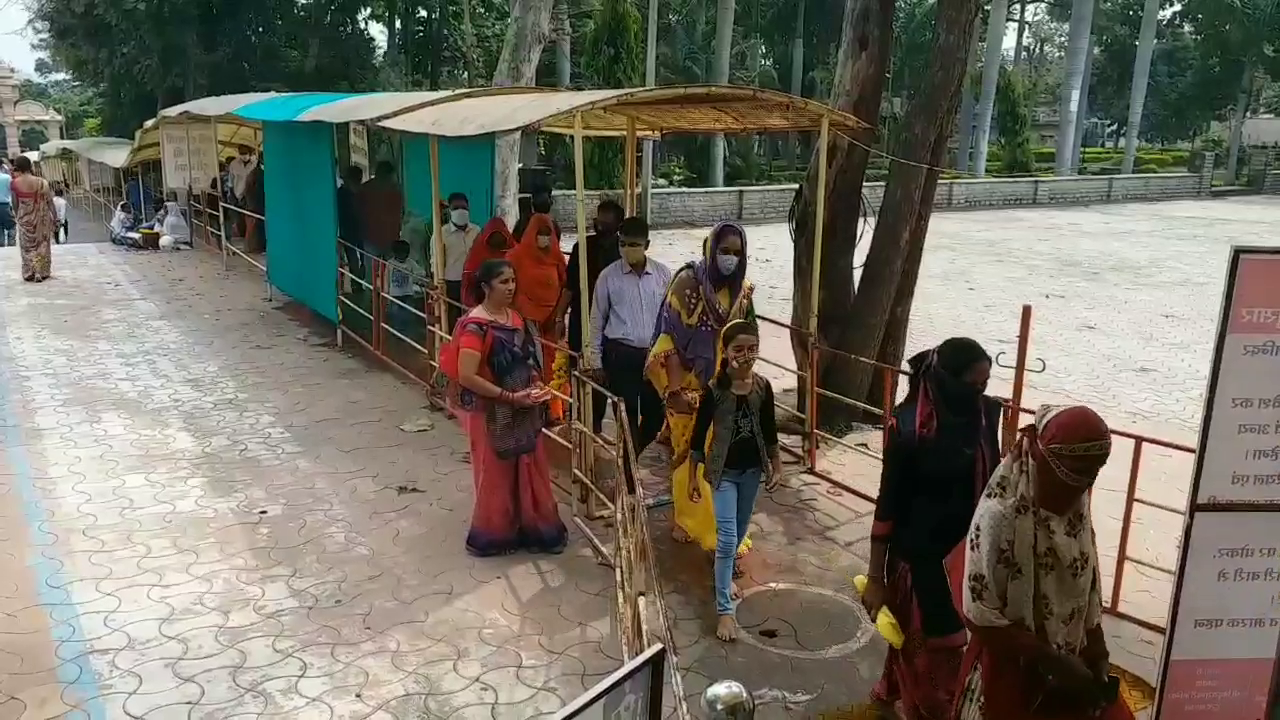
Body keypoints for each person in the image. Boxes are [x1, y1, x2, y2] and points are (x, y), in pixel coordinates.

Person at [956, 404, 1132, 720]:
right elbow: (978, 615)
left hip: (1070, 667)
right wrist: (1049, 659)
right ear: (1041, 461)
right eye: (1072, 477)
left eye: (1090, 477)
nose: (1080, 489)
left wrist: (1096, 646)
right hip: (1012, 668)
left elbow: (1087, 580)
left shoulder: (1076, 503)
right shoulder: (1001, 516)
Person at [861, 338, 1001, 720]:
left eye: (985, 386)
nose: (979, 394)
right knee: (932, 658)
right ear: (945, 380)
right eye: (972, 386)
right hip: (918, 561)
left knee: (936, 646)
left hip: (967, 557)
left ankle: (892, 686)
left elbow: (997, 487)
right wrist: (876, 576)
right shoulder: (908, 428)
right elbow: (887, 504)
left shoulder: (987, 415)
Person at [645, 221, 757, 563]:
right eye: (724, 251)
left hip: (722, 387)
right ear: (711, 250)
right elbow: (671, 342)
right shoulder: (686, 287)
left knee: (717, 457)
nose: (730, 258)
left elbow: (746, 341)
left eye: (737, 253)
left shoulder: (743, 292)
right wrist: (675, 393)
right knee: (685, 455)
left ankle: (718, 533)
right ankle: (685, 518)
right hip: (686, 385)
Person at [446, 258, 568, 557]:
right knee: (496, 472)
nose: (511, 286)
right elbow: (466, 376)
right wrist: (509, 397)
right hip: (490, 411)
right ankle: (496, 533)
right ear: (486, 287)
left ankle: (532, 527)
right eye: (504, 282)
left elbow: (528, 361)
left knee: (529, 466)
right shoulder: (475, 326)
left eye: (513, 280)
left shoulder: (515, 319)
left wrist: (536, 385)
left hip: (523, 405)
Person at [687, 320, 782, 642]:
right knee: (728, 538)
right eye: (738, 349)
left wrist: (777, 465)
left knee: (738, 534)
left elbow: (769, 430)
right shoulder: (714, 391)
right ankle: (724, 610)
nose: (746, 355)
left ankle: (723, 576)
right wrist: (691, 478)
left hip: (752, 472)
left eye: (752, 349)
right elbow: (698, 439)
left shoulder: (763, 387)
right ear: (725, 353)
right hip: (723, 473)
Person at [586, 216, 672, 455]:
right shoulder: (608, 277)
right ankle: (628, 474)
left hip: (653, 357)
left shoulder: (663, 275)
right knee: (627, 416)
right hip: (621, 355)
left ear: (647, 244)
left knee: (656, 414)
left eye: (634, 244)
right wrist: (596, 360)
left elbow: (671, 317)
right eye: (623, 244)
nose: (627, 249)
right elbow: (597, 320)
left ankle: (632, 460)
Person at [552, 199, 625, 433]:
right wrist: (559, 316)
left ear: (618, 223)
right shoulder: (582, 247)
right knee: (580, 372)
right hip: (581, 319)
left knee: (605, 377)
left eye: (607, 218)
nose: (601, 223)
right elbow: (570, 287)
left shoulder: (622, 252)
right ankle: (581, 425)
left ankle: (595, 427)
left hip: (611, 324)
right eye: (599, 217)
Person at [508, 213, 567, 349]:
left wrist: (558, 315)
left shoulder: (556, 257)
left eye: (548, 234)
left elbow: (565, 285)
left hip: (551, 319)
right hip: (525, 317)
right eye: (540, 233)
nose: (545, 238)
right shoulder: (516, 256)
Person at [9, 156, 57, 282]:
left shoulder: (15, 183)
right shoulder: (42, 182)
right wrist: (55, 217)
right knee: (42, 244)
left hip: (25, 218)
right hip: (42, 217)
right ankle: (41, 271)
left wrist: (17, 215)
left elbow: (15, 203)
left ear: (18, 167)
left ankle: (30, 271)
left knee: (27, 246)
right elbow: (50, 201)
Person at [438, 192, 481, 330]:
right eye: (456, 208)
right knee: (453, 316)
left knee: (473, 314)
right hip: (452, 282)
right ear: (449, 210)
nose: (460, 211)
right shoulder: (441, 234)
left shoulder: (476, 231)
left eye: (464, 208)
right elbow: (436, 261)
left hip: (473, 280)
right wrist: (439, 282)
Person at [462, 217, 515, 306]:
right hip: (481, 303)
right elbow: (468, 282)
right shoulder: (478, 251)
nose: (497, 239)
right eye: (493, 236)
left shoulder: (512, 250)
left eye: (499, 235)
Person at [358, 160, 404, 259]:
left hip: (370, 236)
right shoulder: (395, 191)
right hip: (389, 237)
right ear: (390, 175)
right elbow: (398, 215)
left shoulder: (365, 188)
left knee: (371, 267)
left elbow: (359, 213)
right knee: (390, 268)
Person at [387, 239, 427, 337]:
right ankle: (397, 332)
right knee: (396, 314)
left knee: (408, 314)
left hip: (408, 293)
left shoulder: (410, 263)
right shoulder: (390, 264)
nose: (403, 255)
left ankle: (406, 333)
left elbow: (421, 272)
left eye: (405, 253)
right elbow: (386, 278)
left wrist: (418, 278)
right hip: (394, 294)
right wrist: (386, 291)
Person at [337, 165, 365, 282]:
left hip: (354, 229)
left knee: (358, 257)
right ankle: (355, 282)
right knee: (352, 257)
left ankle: (357, 280)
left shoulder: (343, 193)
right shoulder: (343, 194)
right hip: (349, 230)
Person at [0, 162, 13, 247]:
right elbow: (12, 190)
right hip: (5, 205)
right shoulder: (7, 177)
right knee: (12, 225)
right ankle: (11, 243)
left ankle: (1, 243)